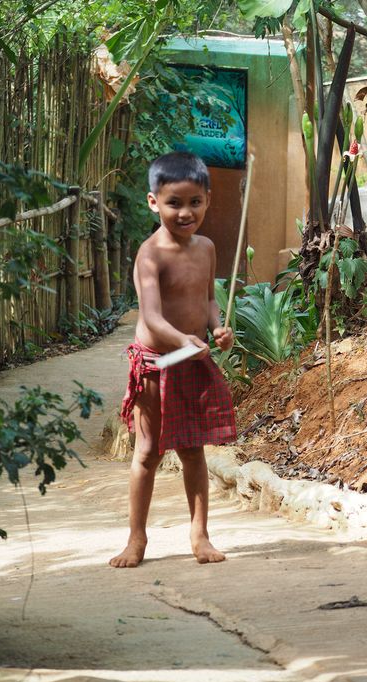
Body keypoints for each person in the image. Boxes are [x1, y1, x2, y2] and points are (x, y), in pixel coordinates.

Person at [110, 151, 237, 568]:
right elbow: (150, 317)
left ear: (207, 200)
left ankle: (199, 535)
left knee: (193, 451)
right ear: (153, 202)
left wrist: (217, 328)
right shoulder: (151, 254)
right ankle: (136, 539)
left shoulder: (207, 248)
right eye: (174, 203)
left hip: (191, 359)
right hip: (156, 363)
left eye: (194, 202)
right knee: (147, 452)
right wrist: (184, 338)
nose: (186, 212)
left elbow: (209, 300)